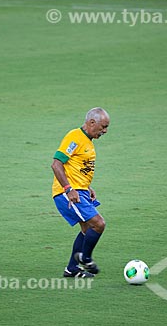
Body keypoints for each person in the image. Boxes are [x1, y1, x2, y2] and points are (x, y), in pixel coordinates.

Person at [51, 107, 110, 278]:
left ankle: (72, 269)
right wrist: (68, 189)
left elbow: (78, 169)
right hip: (68, 193)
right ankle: (85, 258)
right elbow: (56, 164)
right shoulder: (75, 137)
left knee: (86, 230)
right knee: (98, 224)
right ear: (92, 122)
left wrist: (87, 187)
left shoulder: (88, 142)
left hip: (81, 191)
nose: (105, 131)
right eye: (103, 126)